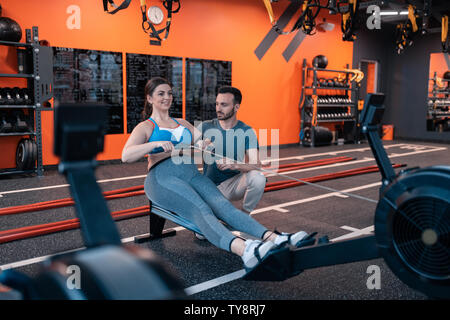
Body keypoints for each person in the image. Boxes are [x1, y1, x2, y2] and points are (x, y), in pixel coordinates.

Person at [121, 77, 310, 270]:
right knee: (200, 209)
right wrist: (154, 144)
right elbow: (126, 155)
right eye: (161, 93)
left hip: (191, 174)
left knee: (223, 206)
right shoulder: (146, 127)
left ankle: (275, 238)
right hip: (162, 177)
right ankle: (245, 250)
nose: (167, 97)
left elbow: (203, 140)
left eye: (169, 93)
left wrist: (205, 144)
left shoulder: (183, 123)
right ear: (150, 98)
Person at [198, 86, 266, 215]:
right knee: (201, 234)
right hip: (209, 187)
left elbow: (256, 164)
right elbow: (183, 149)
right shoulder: (205, 126)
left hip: (234, 184)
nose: (218, 108)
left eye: (224, 105)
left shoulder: (247, 131)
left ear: (236, 107)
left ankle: (244, 216)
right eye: (217, 104)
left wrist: (234, 164)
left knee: (258, 178)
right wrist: (197, 144)